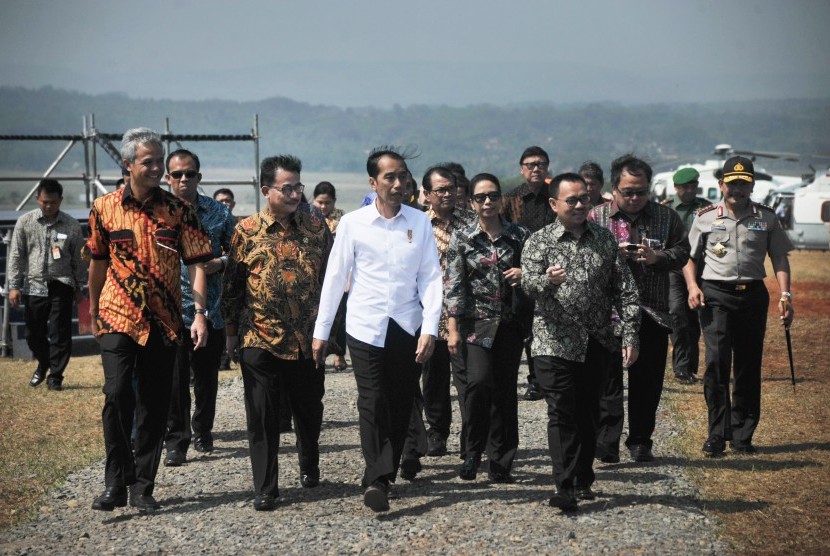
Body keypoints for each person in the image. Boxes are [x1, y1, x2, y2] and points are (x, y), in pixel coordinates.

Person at [87, 128, 212, 513]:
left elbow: (196, 266)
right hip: (117, 316)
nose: (159, 168)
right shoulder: (104, 207)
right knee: (117, 393)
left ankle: (143, 486)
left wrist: (201, 315)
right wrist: (93, 311)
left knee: (154, 404)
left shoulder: (178, 210)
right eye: (149, 162)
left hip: (164, 322)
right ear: (127, 165)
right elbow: (97, 262)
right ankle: (115, 482)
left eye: (161, 161)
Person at [312, 147, 442, 513]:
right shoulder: (353, 224)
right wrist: (322, 332)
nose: (398, 183)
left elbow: (431, 278)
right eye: (390, 177)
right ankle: (378, 478)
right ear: (374, 182)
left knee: (401, 402)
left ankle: (385, 470)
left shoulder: (419, 223)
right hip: (366, 327)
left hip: (407, 325)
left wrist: (430, 328)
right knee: (371, 401)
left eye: (403, 176)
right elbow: (335, 279)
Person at [522, 173, 640, 511]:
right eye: (570, 200)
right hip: (553, 341)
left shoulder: (603, 240)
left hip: (596, 341)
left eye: (583, 199)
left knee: (588, 413)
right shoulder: (539, 242)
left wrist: (630, 334)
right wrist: (546, 280)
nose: (578, 205)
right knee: (562, 411)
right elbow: (527, 285)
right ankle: (565, 485)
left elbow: (626, 290)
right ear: (553, 204)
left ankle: (583, 476)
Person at [221, 155, 331, 511]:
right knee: (262, 414)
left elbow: (331, 283)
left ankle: (308, 462)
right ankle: (265, 487)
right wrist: (232, 333)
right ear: (266, 190)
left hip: (306, 339)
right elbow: (233, 287)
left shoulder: (317, 229)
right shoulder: (246, 231)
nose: (295, 193)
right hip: (259, 337)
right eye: (287, 188)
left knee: (309, 409)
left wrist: (330, 332)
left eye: (298, 186)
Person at [685, 156, 794, 457]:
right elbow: (689, 258)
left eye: (743, 183)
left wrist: (786, 295)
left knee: (748, 365)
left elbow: (780, 257)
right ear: (721, 185)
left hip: (753, 296)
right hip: (716, 296)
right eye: (732, 184)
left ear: (752, 185)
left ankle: (743, 434)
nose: (737, 189)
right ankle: (717, 434)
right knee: (717, 364)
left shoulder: (767, 217)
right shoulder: (704, 217)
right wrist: (693, 287)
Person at [588, 154, 690, 463]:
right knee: (607, 381)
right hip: (608, 313)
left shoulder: (666, 217)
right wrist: (610, 256)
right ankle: (606, 442)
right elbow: (580, 257)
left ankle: (641, 440)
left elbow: (683, 253)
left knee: (647, 381)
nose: (634, 198)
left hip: (652, 311)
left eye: (641, 191)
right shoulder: (596, 218)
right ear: (614, 188)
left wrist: (658, 258)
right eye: (628, 191)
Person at [445, 173, 530, 482]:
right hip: (475, 323)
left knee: (505, 391)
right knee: (478, 385)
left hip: (509, 323)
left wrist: (524, 273)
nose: (488, 202)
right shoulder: (463, 237)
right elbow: (454, 285)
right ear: (472, 202)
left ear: (500, 199)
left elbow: (534, 274)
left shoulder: (519, 235)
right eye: (481, 197)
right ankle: (471, 453)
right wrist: (453, 329)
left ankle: (501, 460)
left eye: (493, 195)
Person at [162, 149, 236, 467]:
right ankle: (176, 440)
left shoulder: (218, 213)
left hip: (211, 310)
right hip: (170, 309)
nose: (183, 179)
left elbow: (240, 255)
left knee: (206, 377)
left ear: (198, 177)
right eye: (176, 174)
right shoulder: (156, 213)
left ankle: (203, 430)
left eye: (189, 174)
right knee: (175, 378)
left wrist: (219, 262)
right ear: (167, 178)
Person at [7, 178, 87, 391]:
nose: (48, 206)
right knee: (33, 332)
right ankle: (44, 362)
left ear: (60, 200)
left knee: (60, 331)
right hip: (34, 284)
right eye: (44, 202)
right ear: (37, 199)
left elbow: (79, 258)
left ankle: (55, 376)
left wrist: (80, 286)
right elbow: (16, 256)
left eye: (53, 202)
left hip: (62, 283)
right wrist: (14, 285)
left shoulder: (71, 225)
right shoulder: (25, 222)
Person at [419, 165, 475, 458]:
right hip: (428, 313)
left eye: (451, 189)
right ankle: (437, 432)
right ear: (426, 194)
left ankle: (472, 438)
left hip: (465, 315)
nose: (447, 195)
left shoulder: (471, 222)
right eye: (440, 190)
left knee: (468, 378)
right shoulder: (416, 224)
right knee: (434, 377)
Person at [502, 146, 555, 402]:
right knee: (526, 329)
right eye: (531, 164)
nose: (536, 168)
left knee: (549, 327)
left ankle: (546, 379)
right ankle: (533, 380)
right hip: (519, 273)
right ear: (522, 169)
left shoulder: (555, 197)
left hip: (552, 271)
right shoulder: (510, 200)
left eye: (541, 164)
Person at [664, 167, 711, 384]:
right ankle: (681, 367)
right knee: (677, 314)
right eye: (685, 187)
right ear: (676, 188)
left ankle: (690, 366)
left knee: (694, 319)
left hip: (701, 268)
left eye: (693, 186)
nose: (690, 190)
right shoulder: (665, 209)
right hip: (674, 269)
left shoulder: (705, 208)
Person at [313, 181, 348, 371]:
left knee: (340, 314)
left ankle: (340, 354)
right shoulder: (310, 218)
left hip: (338, 272)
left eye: (327, 203)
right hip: (318, 272)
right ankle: (320, 352)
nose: (323, 207)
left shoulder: (343, 220)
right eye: (320, 202)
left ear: (334, 202)